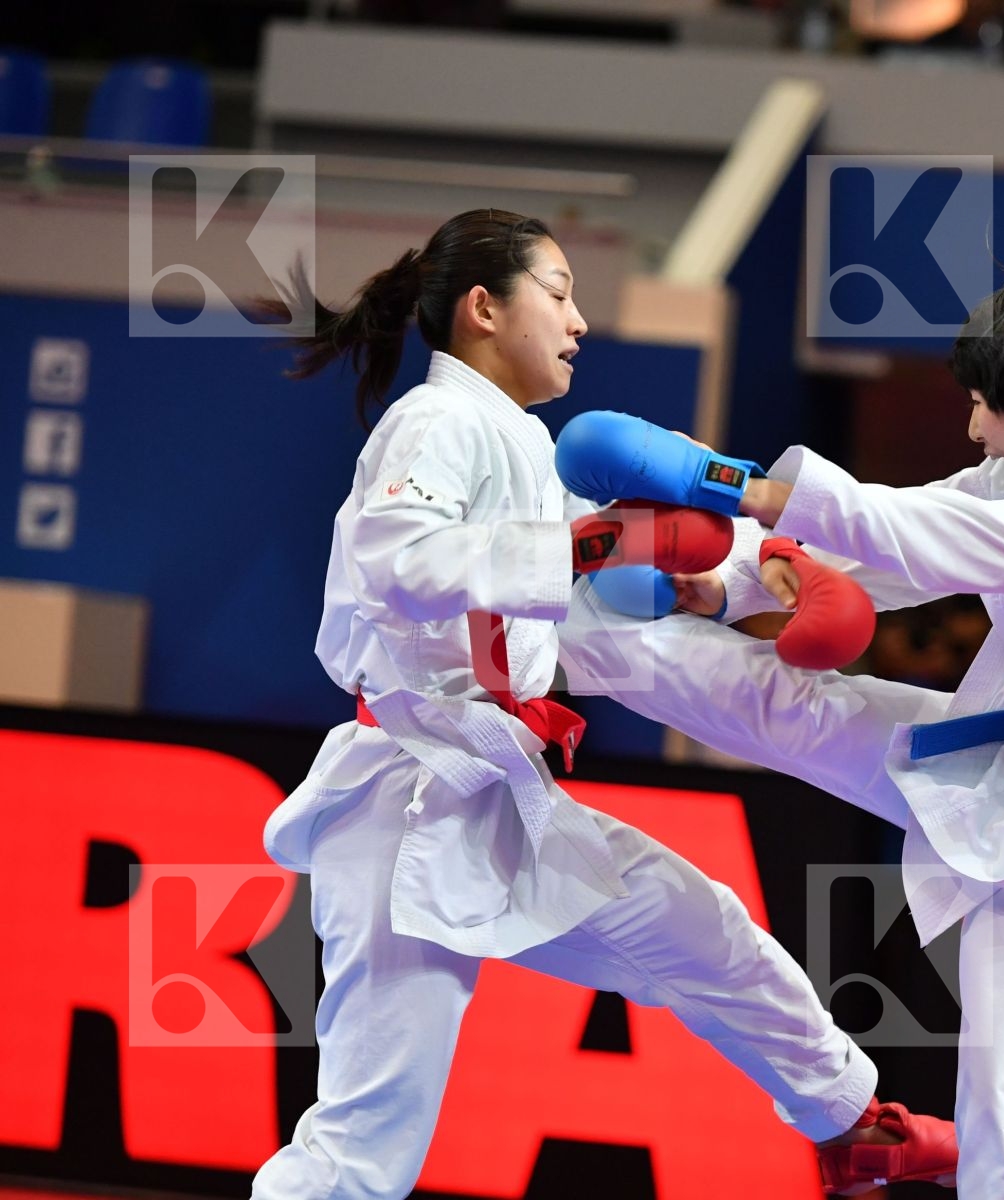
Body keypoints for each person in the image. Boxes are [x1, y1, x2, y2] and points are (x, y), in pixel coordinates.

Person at [252, 208, 955, 1200]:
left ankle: (849, 1124)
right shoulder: (436, 421)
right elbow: (398, 563)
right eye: (559, 291)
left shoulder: (522, 447)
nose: (579, 320)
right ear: (485, 308)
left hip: (499, 805)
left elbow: (622, 566)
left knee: (709, 932)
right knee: (365, 1146)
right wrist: (598, 548)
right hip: (408, 808)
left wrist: (758, 572)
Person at [556, 266, 1004, 1197]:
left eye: (985, 408)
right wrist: (728, 590)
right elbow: (926, 531)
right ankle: (548, 628)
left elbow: (933, 538)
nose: (974, 428)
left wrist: (726, 482)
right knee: (791, 704)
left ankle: (965, 1156)